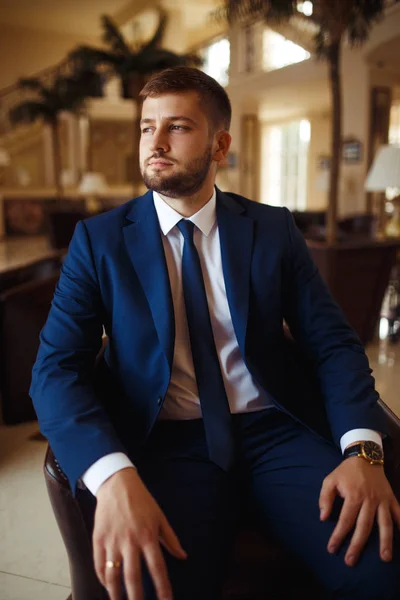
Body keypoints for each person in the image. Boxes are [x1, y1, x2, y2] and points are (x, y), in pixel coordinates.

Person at [30, 66, 400, 600]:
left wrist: (362, 450)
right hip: (166, 440)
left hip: (275, 430)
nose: (155, 142)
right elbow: (54, 371)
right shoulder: (99, 241)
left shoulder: (272, 229)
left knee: (381, 569)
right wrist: (112, 476)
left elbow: (332, 343)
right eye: (146, 127)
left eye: (177, 127)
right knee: (155, 587)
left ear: (219, 143)